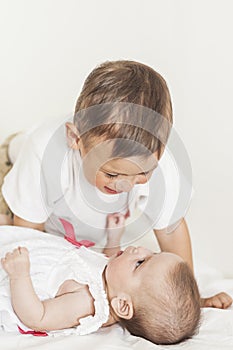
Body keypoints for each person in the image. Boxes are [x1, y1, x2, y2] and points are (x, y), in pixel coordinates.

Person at [0, 216, 232, 345]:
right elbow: (109, 264)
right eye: (152, 253)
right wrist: (114, 237)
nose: (141, 249)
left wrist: (20, 275)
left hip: (14, 276)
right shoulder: (115, 282)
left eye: (141, 262)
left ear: (122, 305)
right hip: (28, 248)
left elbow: (38, 317)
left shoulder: (87, 303)